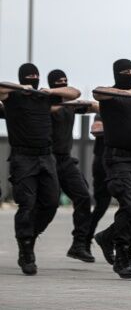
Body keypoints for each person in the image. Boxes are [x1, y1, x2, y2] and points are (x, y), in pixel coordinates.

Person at [0, 63, 80, 275]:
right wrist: (21, 88)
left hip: (46, 156)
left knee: (51, 203)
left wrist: (50, 91)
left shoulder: (44, 97)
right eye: (29, 76)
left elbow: (74, 93)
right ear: (22, 78)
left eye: (36, 75)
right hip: (23, 157)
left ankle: (30, 236)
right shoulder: (12, 98)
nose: (33, 78)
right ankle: (26, 249)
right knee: (27, 204)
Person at [92, 59, 131, 279]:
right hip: (117, 159)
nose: (129, 73)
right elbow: (97, 93)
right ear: (116, 74)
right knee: (128, 205)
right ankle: (121, 256)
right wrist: (128, 92)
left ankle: (114, 242)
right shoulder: (110, 96)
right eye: (124, 71)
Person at [47, 69, 97, 263]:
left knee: (83, 197)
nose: (64, 84)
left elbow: (91, 104)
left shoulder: (71, 104)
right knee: (47, 204)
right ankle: (28, 241)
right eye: (59, 82)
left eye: (65, 81)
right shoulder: (42, 102)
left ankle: (79, 245)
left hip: (65, 161)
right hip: (46, 159)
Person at [87, 114, 110, 255]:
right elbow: (95, 129)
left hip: (124, 160)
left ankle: (124, 245)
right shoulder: (104, 110)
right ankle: (85, 239)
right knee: (101, 206)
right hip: (103, 162)